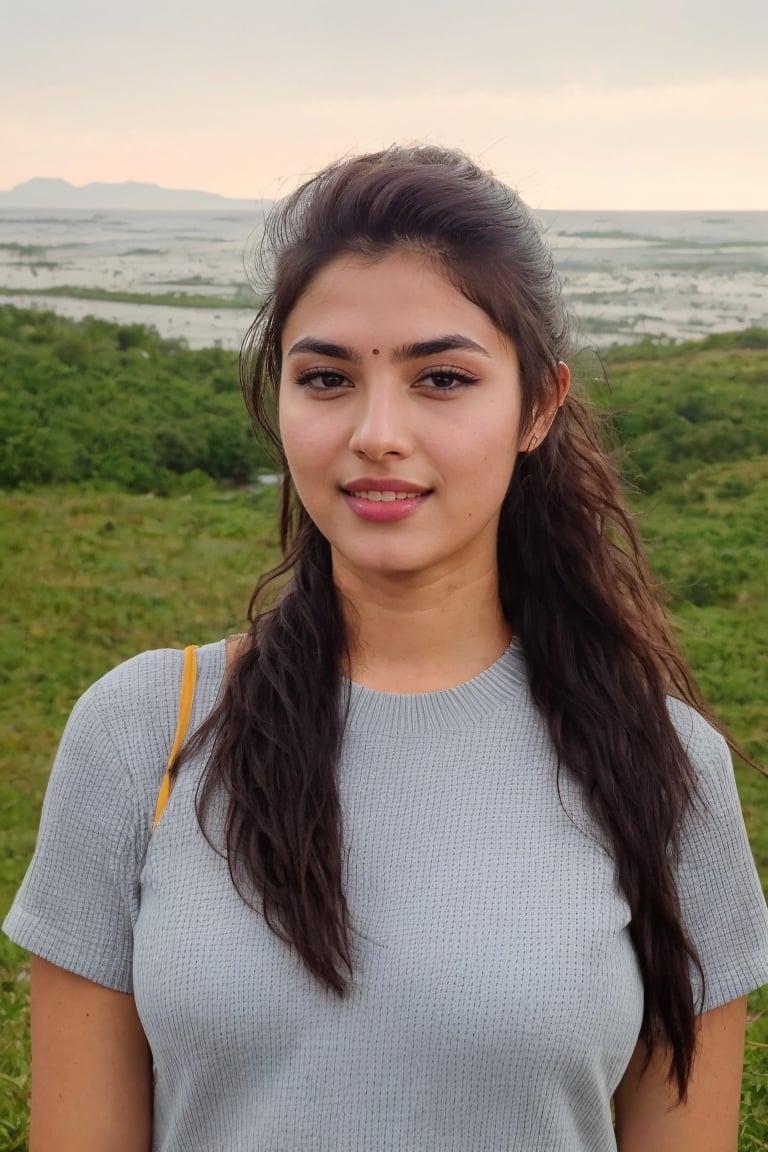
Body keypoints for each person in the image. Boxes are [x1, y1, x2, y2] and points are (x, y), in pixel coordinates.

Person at [4, 145, 768, 1152]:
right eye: (325, 378)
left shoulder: (664, 769)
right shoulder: (140, 733)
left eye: (442, 378)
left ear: (539, 405)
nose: (376, 432)